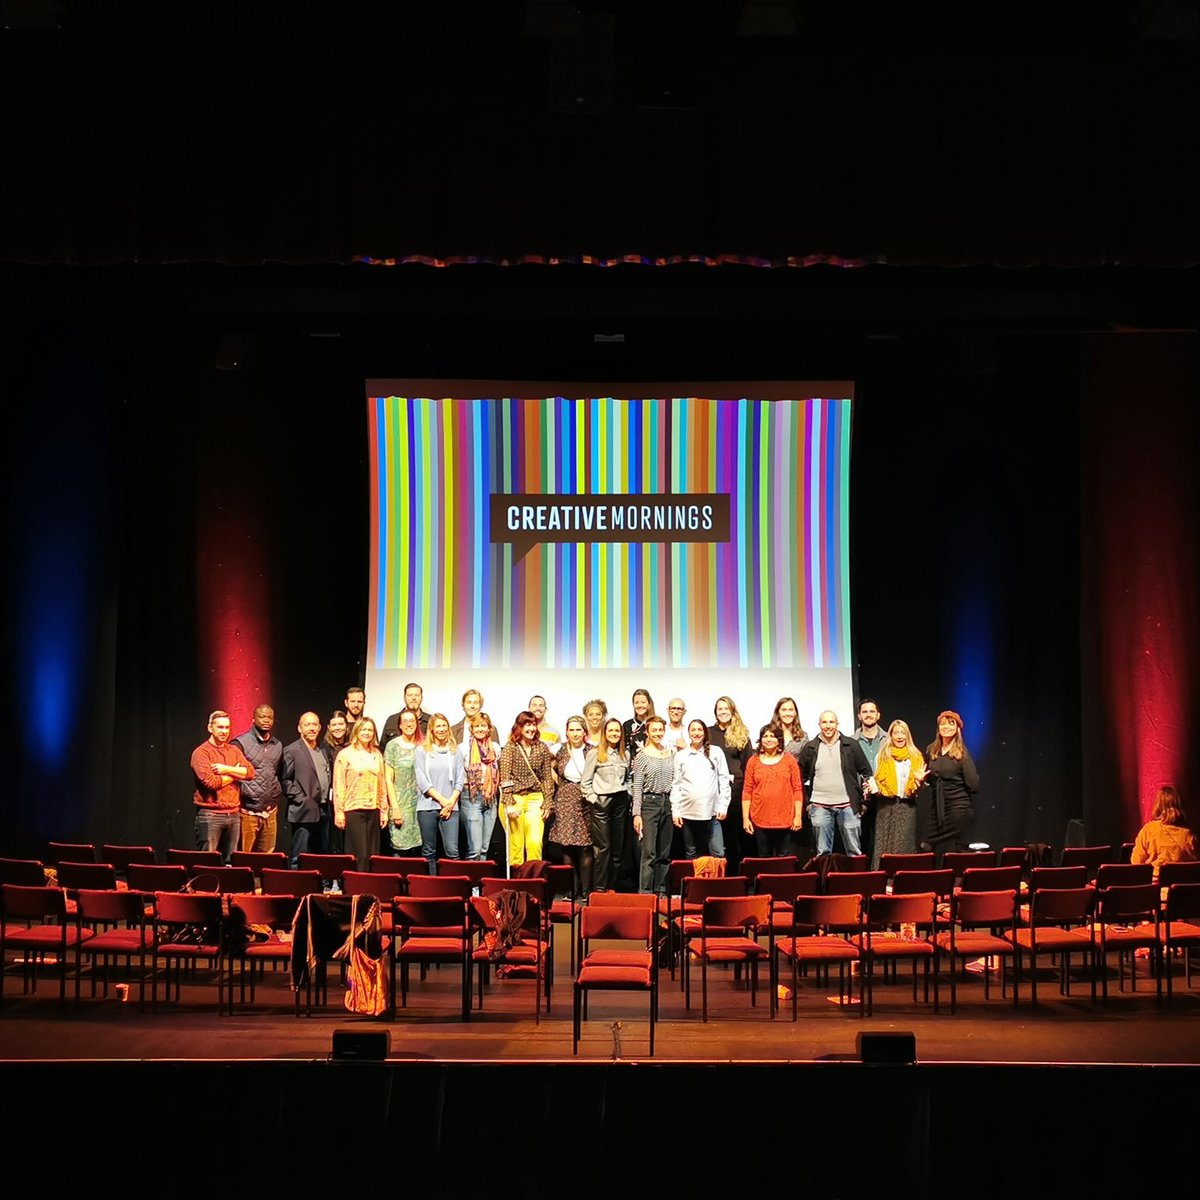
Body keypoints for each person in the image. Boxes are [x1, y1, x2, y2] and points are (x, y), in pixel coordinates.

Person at [797, 710, 876, 856]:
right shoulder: (810, 748)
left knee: (854, 851)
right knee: (822, 852)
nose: (828, 726)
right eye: (824, 722)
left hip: (848, 806)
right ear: (819, 724)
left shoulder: (851, 745)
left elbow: (867, 773)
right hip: (819, 806)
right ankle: (825, 879)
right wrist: (807, 803)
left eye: (831, 722)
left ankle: (856, 879)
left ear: (837, 724)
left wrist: (865, 802)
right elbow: (798, 779)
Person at [190, 710, 255, 863]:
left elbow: (251, 772)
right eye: (220, 727)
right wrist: (237, 772)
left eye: (226, 728)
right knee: (207, 862)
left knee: (231, 863)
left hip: (233, 815)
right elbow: (211, 783)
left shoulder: (233, 750)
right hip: (210, 815)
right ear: (210, 728)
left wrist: (226, 769)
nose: (224, 731)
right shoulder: (201, 753)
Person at [332, 717, 390, 871]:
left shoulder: (377, 754)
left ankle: (371, 890)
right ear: (357, 731)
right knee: (359, 854)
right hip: (353, 809)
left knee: (372, 855)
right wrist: (339, 812)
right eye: (364, 729)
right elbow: (339, 785)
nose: (367, 733)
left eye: (370, 730)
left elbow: (382, 783)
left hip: (373, 809)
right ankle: (355, 889)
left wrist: (384, 811)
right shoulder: (345, 754)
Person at [500, 710, 556, 867]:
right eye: (527, 725)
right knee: (516, 846)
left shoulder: (542, 747)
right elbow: (505, 778)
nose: (531, 728)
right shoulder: (511, 747)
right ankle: (517, 885)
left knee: (534, 842)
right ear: (519, 727)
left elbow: (546, 778)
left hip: (535, 798)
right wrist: (509, 803)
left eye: (533, 724)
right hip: (514, 798)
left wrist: (547, 802)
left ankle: (533, 882)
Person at [922, 710, 980, 861]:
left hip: (958, 809)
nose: (946, 726)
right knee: (925, 846)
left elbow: (973, 785)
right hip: (938, 808)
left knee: (960, 851)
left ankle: (961, 883)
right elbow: (929, 777)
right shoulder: (931, 750)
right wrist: (923, 779)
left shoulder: (962, 754)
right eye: (943, 723)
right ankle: (928, 882)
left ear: (957, 729)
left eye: (950, 723)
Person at [581, 717, 630, 891]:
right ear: (605, 732)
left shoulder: (625, 753)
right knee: (603, 849)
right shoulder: (595, 753)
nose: (615, 733)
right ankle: (599, 889)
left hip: (620, 803)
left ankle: (612, 887)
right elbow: (585, 783)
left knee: (617, 850)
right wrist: (595, 801)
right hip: (602, 802)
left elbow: (629, 778)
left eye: (617, 731)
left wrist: (629, 794)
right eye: (611, 730)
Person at [871, 719, 928, 868]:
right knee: (884, 845)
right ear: (891, 735)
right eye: (896, 732)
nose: (899, 736)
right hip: (885, 805)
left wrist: (919, 782)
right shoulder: (882, 756)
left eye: (902, 732)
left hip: (906, 806)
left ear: (907, 735)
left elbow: (917, 789)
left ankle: (904, 881)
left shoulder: (915, 756)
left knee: (903, 846)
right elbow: (876, 780)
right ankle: (881, 882)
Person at [670, 720, 731, 859]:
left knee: (718, 853)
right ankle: (694, 881)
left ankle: (717, 881)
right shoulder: (681, 756)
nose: (696, 733)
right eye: (693, 730)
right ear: (689, 733)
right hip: (687, 813)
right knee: (691, 853)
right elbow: (676, 785)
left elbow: (724, 780)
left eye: (699, 730)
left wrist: (723, 806)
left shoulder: (716, 752)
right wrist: (676, 811)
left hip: (711, 813)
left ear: (704, 732)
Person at [550, 716, 595, 897]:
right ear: (566, 732)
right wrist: (557, 781)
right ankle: (571, 890)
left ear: (584, 732)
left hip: (586, 798)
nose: (575, 733)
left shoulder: (592, 751)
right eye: (572, 730)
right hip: (565, 798)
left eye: (578, 730)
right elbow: (547, 766)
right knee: (567, 845)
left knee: (585, 845)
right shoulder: (559, 750)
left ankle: (586, 890)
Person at [742, 723, 804, 856]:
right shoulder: (753, 761)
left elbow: (797, 789)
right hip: (760, 819)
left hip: (785, 819)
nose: (768, 739)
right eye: (765, 736)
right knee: (764, 859)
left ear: (779, 740)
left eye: (772, 736)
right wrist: (745, 818)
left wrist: (797, 816)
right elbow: (747, 791)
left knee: (785, 859)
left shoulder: (789, 760)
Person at [632, 716, 676, 895]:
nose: (658, 733)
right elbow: (637, 786)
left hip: (667, 803)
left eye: (660, 730)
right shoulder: (642, 756)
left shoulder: (670, 754)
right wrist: (637, 813)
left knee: (664, 853)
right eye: (654, 730)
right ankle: (646, 892)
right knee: (648, 852)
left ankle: (662, 891)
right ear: (647, 732)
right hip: (649, 804)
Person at [414, 714, 462, 874]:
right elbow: (423, 782)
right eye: (438, 726)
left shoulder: (456, 752)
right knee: (429, 851)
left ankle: (454, 888)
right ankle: (431, 888)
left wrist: (450, 804)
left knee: (452, 852)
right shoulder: (421, 751)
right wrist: (443, 801)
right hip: (427, 807)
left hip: (451, 808)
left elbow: (460, 781)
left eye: (444, 726)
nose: (441, 729)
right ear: (432, 729)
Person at [709, 696, 753, 872]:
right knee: (718, 835)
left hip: (736, 790)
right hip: (714, 789)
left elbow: (747, 764)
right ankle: (720, 876)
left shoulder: (741, 733)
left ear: (732, 711)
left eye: (726, 709)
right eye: (720, 709)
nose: (723, 712)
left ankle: (737, 876)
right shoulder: (708, 732)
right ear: (715, 712)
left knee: (736, 835)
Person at [232, 703, 284, 853]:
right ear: (253, 719)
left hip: (270, 812)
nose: (266, 720)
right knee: (244, 858)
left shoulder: (277, 745)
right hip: (247, 812)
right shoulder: (240, 743)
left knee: (266, 860)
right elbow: (234, 775)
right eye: (262, 716)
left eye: (270, 717)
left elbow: (278, 773)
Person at [282, 711, 329, 866]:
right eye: (307, 724)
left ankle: (319, 886)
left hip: (323, 809)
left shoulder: (323, 749)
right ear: (299, 728)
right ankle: (295, 884)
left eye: (314, 724)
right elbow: (285, 781)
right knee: (299, 854)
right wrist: (302, 799)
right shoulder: (292, 750)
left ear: (320, 727)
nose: (311, 728)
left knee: (320, 854)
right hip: (302, 810)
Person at [458, 712, 501, 862]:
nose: (480, 729)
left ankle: (480, 883)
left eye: (484, 725)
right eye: (477, 726)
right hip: (471, 797)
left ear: (489, 728)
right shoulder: (463, 748)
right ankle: (470, 884)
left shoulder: (495, 748)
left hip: (491, 799)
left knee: (484, 847)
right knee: (474, 848)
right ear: (471, 729)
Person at [1131, 785, 1197, 880]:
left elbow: (1136, 862)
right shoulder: (1190, 834)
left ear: (1158, 805)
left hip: (1154, 889)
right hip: (1183, 890)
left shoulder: (1149, 830)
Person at [383, 709, 423, 857]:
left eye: (412, 721)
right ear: (399, 725)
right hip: (400, 804)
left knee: (419, 851)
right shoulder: (392, 746)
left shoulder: (423, 745)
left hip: (420, 805)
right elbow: (388, 779)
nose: (409, 724)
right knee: (400, 849)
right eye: (405, 721)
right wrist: (395, 808)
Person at [322, 710, 351, 853]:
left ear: (347, 726)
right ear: (328, 727)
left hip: (351, 797)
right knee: (332, 837)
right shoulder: (322, 748)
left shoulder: (353, 747)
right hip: (330, 800)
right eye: (334, 724)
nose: (338, 727)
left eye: (341, 724)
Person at [382, 681, 431, 748]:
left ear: (421, 698)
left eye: (417, 695)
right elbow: (382, 748)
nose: (413, 698)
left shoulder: (431, 721)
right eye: (410, 695)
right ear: (404, 697)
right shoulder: (392, 720)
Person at [771, 697, 808, 761]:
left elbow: (806, 762)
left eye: (791, 710)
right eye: (784, 710)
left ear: (795, 713)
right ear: (778, 713)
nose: (787, 714)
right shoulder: (770, 735)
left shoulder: (803, 737)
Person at [622, 688, 655, 754]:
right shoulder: (627, 725)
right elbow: (623, 749)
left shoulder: (656, 724)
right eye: (636, 702)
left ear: (649, 704)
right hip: (633, 763)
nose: (639, 705)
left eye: (643, 702)